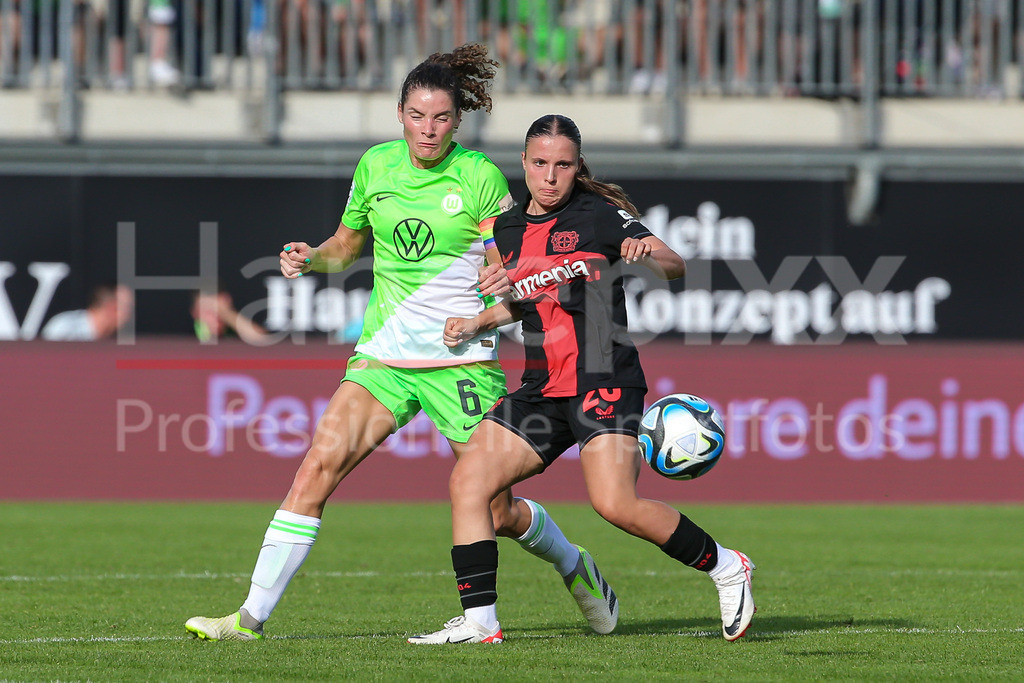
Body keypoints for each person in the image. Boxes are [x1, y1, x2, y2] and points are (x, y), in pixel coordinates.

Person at [184, 46, 618, 642]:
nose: (428, 129)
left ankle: (573, 563)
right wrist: (311, 258)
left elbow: (505, 262)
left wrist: (501, 287)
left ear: (457, 122)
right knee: (315, 469)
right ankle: (248, 619)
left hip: (460, 362)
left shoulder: (479, 178)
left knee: (495, 509)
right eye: (417, 115)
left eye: (440, 118)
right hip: (384, 358)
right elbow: (344, 248)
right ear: (399, 114)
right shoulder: (376, 167)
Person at [408, 114, 755, 645]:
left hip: (604, 377)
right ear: (523, 164)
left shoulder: (599, 216)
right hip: (541, 387)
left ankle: (727, 566)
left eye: (563, 165)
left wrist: (647, 253)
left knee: (615, 505)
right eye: (540, 164)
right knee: (470, 483)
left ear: (577, 167)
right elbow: (524, 301)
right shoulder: (506, 231)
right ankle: (480, 622)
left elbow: (676, 263)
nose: (550, 176)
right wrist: (479, 320)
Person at [40, 283, 133, 341]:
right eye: (127, 307)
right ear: (111, 308)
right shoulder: (65, 328)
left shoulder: (119, 338)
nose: (130, 314)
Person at [191, 288, 268, 344]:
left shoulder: (232, 334)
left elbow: (261, 339)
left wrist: (226, 313)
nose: (215, 317)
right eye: (209, 311)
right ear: (195, 312)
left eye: (219, 311)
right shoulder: (187, 334)